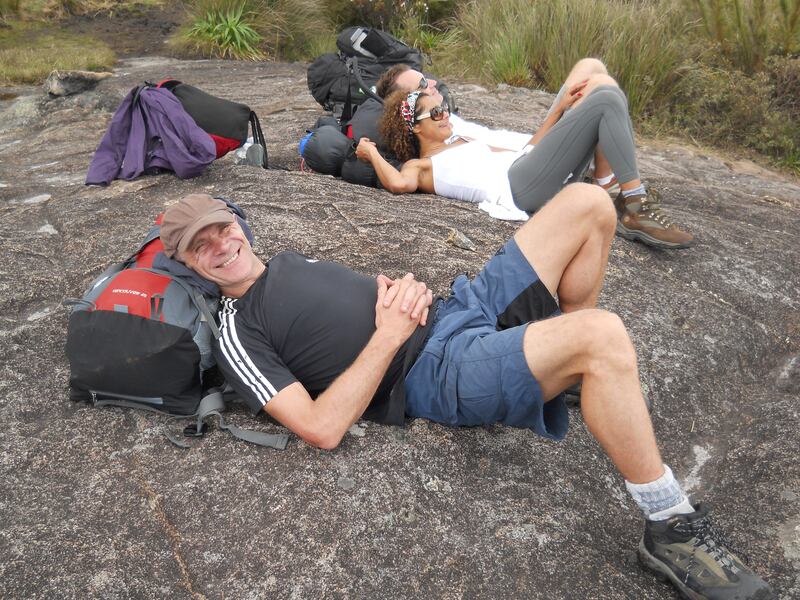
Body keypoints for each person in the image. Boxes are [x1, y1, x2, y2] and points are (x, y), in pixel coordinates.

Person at [159, 191, 773, 600]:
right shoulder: (239, 328)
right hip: (436, 369)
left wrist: (400, 291)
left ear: (238, 222)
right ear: (189, 264)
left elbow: (344, 311)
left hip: (459, 309)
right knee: (603, 334)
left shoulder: (285, 261)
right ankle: (668, 524)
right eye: (200, 246)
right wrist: (392, 332)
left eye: (221, 227)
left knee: (589, 202)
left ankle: (575, 367)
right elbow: (319, 427)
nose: (220, 244)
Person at [359, 60, 693, 249]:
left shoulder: (459, 138)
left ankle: (607, 194)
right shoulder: (421, 165)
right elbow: (399, 184)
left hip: (529, 170)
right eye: (434, 114)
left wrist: (557, 112)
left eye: (443, 108)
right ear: (414, 129)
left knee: (594, 73)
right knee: (606, 99)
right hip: (518, 189)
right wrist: (372, 153)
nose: (444, 113)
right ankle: (634, 205)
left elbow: (524, 152)